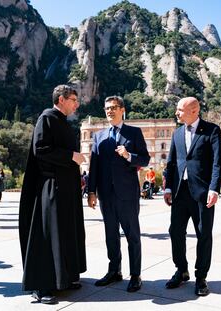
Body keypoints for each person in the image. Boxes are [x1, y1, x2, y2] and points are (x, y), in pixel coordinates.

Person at [19, 84, 86, 304]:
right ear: (61, 99)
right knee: (47, 235)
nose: (77, 104)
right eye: (74, 99)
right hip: (51, 187)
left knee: (64, 232)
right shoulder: (46, 118)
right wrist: (71, 157)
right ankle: (41, 285)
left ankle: (63, 278)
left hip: (66, 188)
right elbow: (41, 150)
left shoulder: (63, 122)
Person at [87, 95, 150, 292]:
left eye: (114, 107)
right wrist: (91, 191)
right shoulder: (99, 136)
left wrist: (128, 155)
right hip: (106, 194)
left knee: (132, 235)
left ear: (122, 109)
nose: (109, 111)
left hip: (127, 194)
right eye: (107, 108)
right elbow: (94, 166)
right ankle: (114, 271)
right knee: (110, 234)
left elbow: (145, 160)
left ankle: (135, 275)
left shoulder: (134, 133)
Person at [164, 97, 221, 296]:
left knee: (203, 234)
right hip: (180, 192)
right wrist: (167, 188)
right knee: (175, 231)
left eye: (180, 110)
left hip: (202, 193)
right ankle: (181, 270)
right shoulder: (177, 133)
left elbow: (217, 162)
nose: (177, 113)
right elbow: (171, 162)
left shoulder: (212, 130)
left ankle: (201, 277)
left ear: (193, 110)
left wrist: (214, 188)